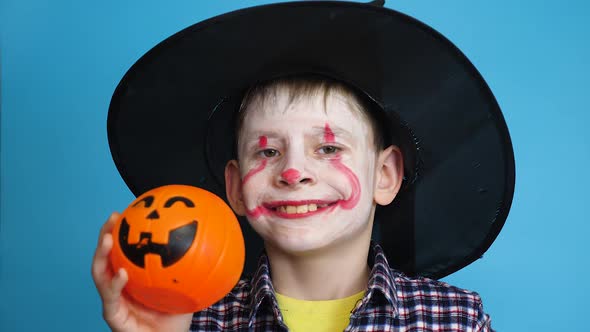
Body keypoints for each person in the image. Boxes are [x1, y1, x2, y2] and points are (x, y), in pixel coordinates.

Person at [93, 1, 515, 331]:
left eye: (329, 149)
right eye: (268, 152)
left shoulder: (455, 320)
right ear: (236, 187)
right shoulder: (196, 322)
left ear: (385, 175)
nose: (293, 172)